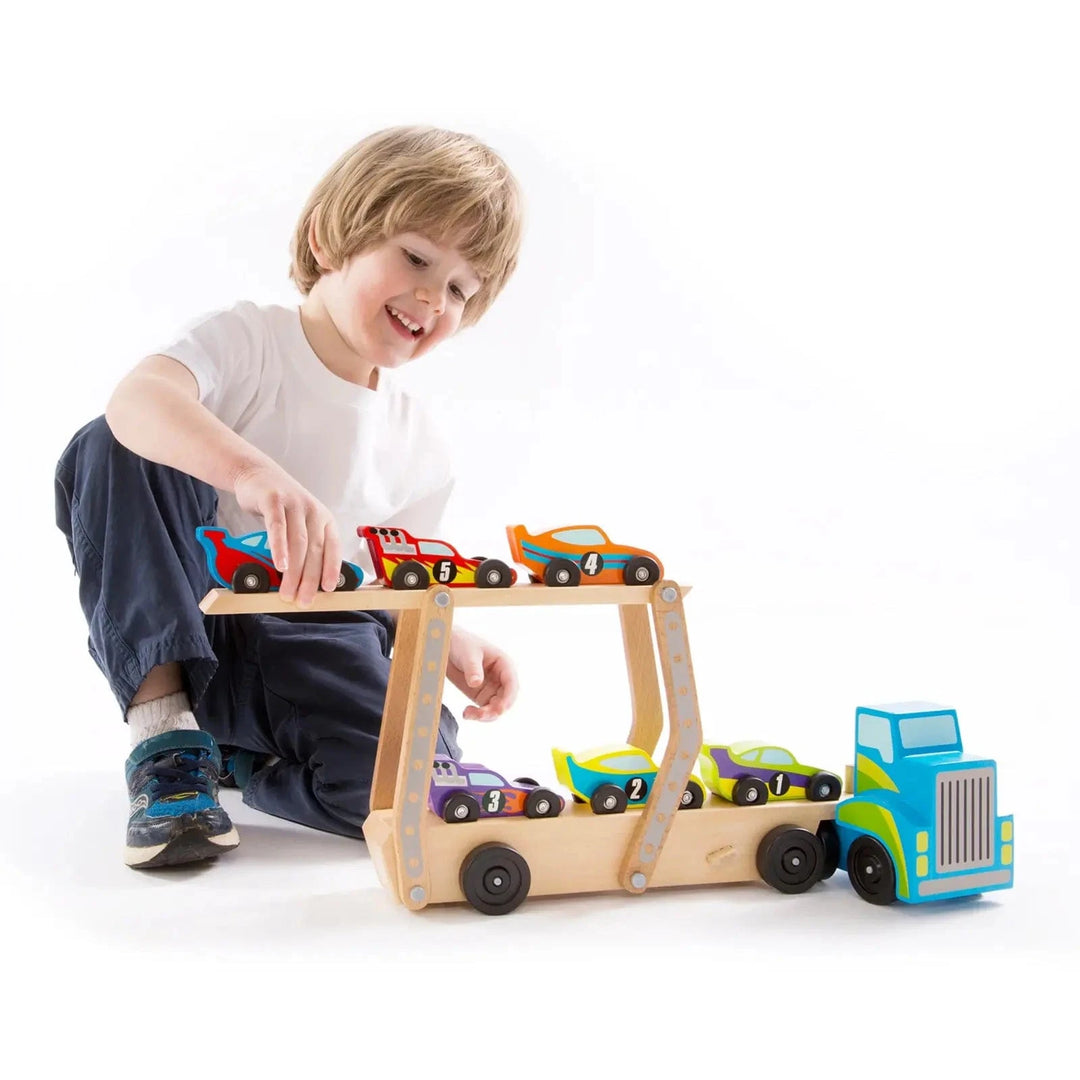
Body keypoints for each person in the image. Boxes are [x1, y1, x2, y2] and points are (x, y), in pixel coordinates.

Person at [54, 125, 524, 869]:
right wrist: (249, 471)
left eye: (462, 288)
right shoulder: (248, 342)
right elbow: (137, 400)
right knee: (112, 442)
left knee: (415, 786)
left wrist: (447, 635)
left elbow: (394, 584)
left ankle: (248, 770)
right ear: (330, 239)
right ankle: (167, 740)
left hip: (314, 639)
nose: (434, 296)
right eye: (415, 257)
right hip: (196, 625)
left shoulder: (420, 442)